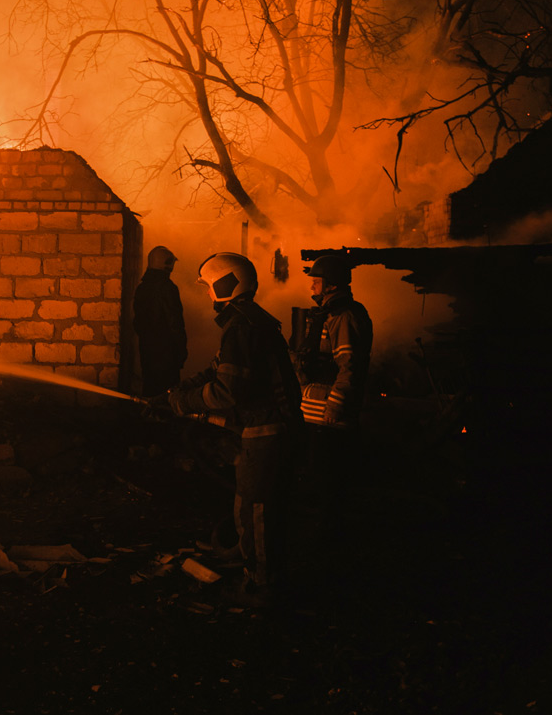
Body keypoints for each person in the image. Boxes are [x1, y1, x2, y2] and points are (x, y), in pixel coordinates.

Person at [155, 252, 302, 602]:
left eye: (209, 286)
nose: (207, 292)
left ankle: (262, 585)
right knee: (251, 503)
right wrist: (175, 393)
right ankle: (251, 559)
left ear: (225, 285)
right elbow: (218, 371)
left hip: (267, 431)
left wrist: (182, 404)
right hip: (269, 428)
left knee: (257, 510)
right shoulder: (249, 322)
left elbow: (226, 391)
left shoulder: (240, 328)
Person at [292, 254, 374, 545]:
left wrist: (336, 405)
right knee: (318, 477)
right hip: (316, 415)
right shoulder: (330, 315)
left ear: (330, 285)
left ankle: (331, 539)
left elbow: (349, 366)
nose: (312, 288)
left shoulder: (345, 317)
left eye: (316, 282)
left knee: (330, 482)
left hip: (330, 419)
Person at [132, 246, 188, 396]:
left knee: (150, 388)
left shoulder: (141, 289)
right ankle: (165, 417)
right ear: (166, 263)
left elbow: (137, 323)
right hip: (167, 353)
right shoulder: (168, 288)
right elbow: (175, 323)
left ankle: (151, 417)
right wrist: (181, 350)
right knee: (168, 392)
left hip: (147, 350)